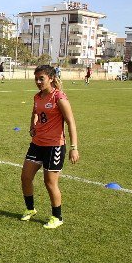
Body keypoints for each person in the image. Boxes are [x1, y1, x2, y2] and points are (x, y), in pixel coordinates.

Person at [20, 64, 79, 229]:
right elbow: (35, 113)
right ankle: (30, 209)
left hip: (55, 146)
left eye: (41, 78)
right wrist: (32, 125)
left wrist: (74, 147)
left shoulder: (59, 97)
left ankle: (57, 217)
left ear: (51, 78)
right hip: (37, 144)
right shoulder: (37, 97)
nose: (38, 82)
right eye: (36, 79)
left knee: (50, 182)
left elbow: (71, 123)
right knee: (25, 177)